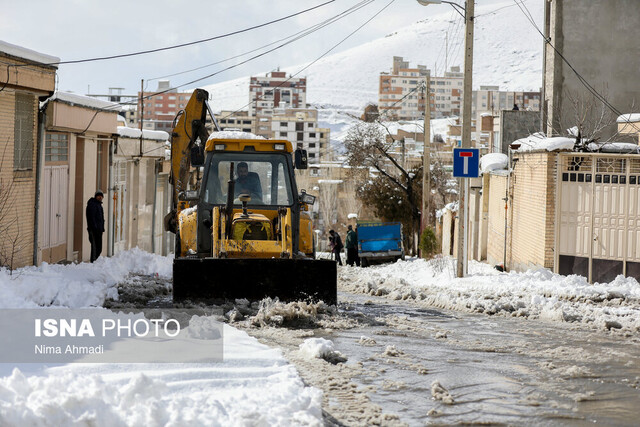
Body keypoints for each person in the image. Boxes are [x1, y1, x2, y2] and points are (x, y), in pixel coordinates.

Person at [86, 190, 105, 263]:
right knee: (95, 247)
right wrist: (95, 228)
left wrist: (102, 228)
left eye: (101, 196)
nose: (100, 197)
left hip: (99, 230)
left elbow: (100, 218)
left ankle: (96, 261)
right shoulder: (92, 205)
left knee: (99, 247)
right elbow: (91, 218)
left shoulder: (99, 205)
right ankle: (93, 262)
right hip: (94, 230)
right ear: (96, 196)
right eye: (98, 196)